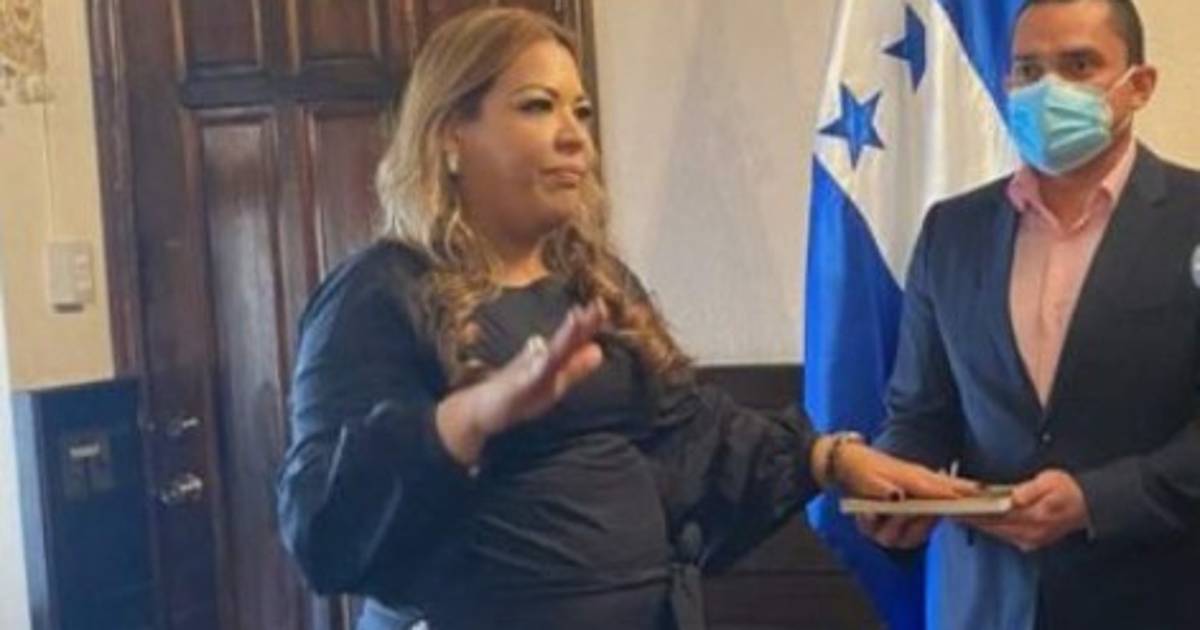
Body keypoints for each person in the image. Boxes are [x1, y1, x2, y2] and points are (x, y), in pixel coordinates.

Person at [275, 7, 970, 630]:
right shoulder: (380, 293)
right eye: (538, 106)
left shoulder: (593, 284)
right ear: (450, 134)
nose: (574, 137)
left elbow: (693, 441)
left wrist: (831, 458)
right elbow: (322, 522)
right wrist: (470, 418)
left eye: (580, 113)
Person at [859, 1, 1200, 628]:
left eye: (1079, 65)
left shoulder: (1192, 218)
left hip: (1159, 594)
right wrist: (898, 485)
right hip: (987, 603)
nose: (1049, 90)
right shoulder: (952, 232)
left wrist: (1098, 500)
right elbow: (921, 413)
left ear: (1140, 85)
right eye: (1029, 70)